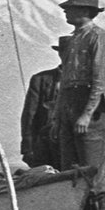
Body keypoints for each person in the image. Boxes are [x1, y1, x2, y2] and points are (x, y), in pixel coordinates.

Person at [56, 0, 105, 210]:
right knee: (71, 175)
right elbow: (64, 81)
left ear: (84, 11)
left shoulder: (98, 38)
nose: (66, 11)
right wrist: (59, 116)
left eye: (71, 7)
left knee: (95, 175)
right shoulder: (73, 39)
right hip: (69, 107)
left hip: (87, 109)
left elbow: (100, 80)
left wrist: (86, 114)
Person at [20, 37, 71, 170]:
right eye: (66, 52)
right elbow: (29, 115)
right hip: (45, 146)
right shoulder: (40, 80)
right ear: (60, 53)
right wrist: (27, 147)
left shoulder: (89, 81)